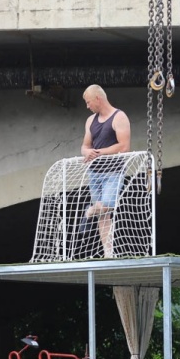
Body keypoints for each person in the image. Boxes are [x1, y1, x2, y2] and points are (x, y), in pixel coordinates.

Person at [79, 85, 131, 258]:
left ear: (98, 99)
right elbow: (85, 146)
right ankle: (108, 252)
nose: (87, 106)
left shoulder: (119, 117)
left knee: (108, 204)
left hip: (113, 171)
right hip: (95, 173)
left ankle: (90, 211)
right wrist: (87, 152)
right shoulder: (90, 121)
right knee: (104, 214)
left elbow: (124, 146)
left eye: (88, 102)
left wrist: (99, 153)